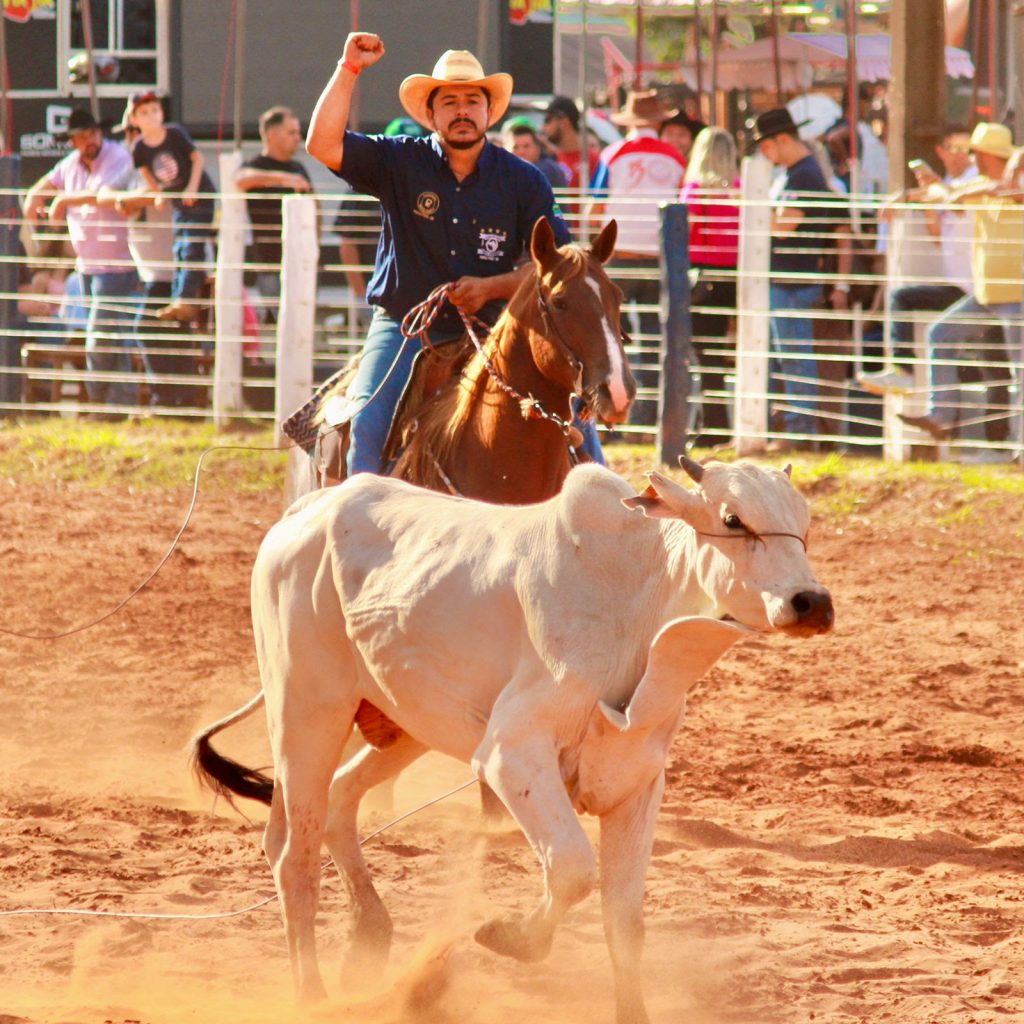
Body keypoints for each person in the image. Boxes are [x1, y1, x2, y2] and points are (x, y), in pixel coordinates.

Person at [305, 34, 575, 475]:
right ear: (430, 114)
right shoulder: (398, 160)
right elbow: (322, 145)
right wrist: (348, 68)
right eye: (449, 102)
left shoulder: (524, 181)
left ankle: (606, 512)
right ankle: (358, 523)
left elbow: (555, 265)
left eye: (473, 100)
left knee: (572, 417)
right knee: (367, 424)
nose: (463, 111)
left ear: (490, 112)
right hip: (404, 324)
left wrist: (491, 286)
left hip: (497, 326)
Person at [898, 123, 1024, 442]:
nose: (972, 158)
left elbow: (1001, 190)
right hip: (988, 293)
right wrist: (922, 189)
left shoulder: (1011, 187)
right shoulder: (980, 186)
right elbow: (950, 196)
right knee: (940, 334)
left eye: (976, 152)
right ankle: (941, 416)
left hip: (1016, 293)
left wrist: (1007, 173)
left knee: (1019, 374)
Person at [23, 107, 141, 414]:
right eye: (82, 136)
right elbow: (37, 191)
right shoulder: (69, 165)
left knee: (102, 338)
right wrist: (34, 204)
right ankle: (112, 407)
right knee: (109, 337)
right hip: (87, 267)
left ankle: (106, 405)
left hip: (118, 266)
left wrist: (62, 200)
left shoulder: (118, 157)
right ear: (73, 140)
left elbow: (103, 193)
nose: (90, 140)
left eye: (93, 133)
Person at [752, 107, 851, 449]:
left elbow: (785, 225)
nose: (765, 154)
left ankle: (800, 430)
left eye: (765, 146)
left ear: (781, 140)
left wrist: (753, 208)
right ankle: (797, 426)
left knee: (794, 354)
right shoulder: (802, 172)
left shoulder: (803, 175)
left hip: (793, 278)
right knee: (791, 354)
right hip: (794, 276)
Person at [860, 127, 985, 396]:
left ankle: (910, 380)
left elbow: (953, 195)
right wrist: (927, 195)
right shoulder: (950, 185)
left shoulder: (975, 180)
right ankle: (932, 403)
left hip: (980, 289)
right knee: (943, 338)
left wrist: (908, 196)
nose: (964, 156)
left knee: (940, 335)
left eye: (968, 149)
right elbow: (939, 233)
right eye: (956, 149)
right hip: (964, 287)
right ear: (941, 151)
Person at [592, 90, 688, 426]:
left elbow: (595, 207)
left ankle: (612, 414)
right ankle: (649, 417)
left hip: (618, 257)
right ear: (659, 121)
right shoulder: (674, 157)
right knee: (653, 339)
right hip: (658, 256)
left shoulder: (612, 154)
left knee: (609, 339)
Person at [128, 91, 216, 323]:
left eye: (155, 110)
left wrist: (193, 188)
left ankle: (187, 299)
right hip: (179, 203)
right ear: (134, 119)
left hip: (200, 198)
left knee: (192, 247)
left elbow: (197, 159)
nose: (151, 116)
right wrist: (158, 194)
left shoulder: (174, 134)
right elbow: (145, 170)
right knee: (179, 248)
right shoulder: (139, 147)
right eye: (144, 113)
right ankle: (179, 299)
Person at [679, 126, 740, 439]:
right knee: (735, 354)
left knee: (706, 355)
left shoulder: (694, 191)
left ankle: (715, 427)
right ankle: (719, 423)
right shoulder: (741, 190)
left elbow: (682, 235)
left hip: (703, 277)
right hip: (737, 277)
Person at [235, 106, 314, 322]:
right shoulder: (255, 165)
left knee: (300, 321)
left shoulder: (298, 167)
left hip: (301, 261)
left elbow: (315, 208)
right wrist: (284, 179)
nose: (298, 138)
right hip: (269, 262)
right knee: (282, 320)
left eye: (298, 132)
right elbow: (240, 179)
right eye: (292, 132)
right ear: (272, 134)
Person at [542, 95, 606, 191]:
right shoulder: (549, 160)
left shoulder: (593, 161)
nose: (544, 127)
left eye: (548, 120)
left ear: (564, 122)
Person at [502, 117, 567, 188]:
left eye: (526, 146)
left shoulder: (548, 169)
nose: (521, 152)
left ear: (538, 148)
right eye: (515, 147)